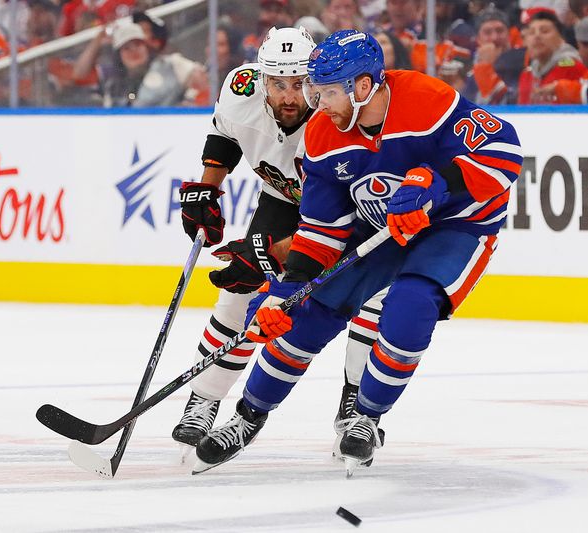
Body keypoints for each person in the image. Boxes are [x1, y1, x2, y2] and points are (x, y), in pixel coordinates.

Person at [194, 29, 522, 476]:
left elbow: (503, 150)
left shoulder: (425, 99)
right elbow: (322, 230)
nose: (318, 103)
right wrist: (285, 290)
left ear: (362, 86)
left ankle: (365, 416)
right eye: (316, 90)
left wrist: (437, 183)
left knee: (410, 305)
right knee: (304, 310)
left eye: (327, 92)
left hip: (456, 226)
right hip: (379, 229)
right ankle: (247, 416)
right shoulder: (324, 136)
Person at [172, 26, 387, 459]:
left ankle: (359, 409)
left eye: (299, 85)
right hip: (282, 199)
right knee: (238, 293)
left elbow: (339, 226)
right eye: (277, 84)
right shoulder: (240, 88)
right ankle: (205, 397)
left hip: (344, 212)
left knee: (371, 298)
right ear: (260, 78)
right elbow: (225, 135)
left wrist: (269, 251)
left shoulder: (335, 117)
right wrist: (207, 190)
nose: (289, 97)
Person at [517, 9, 588, 104]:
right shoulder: (526, 75)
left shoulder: (574, 67)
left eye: (545, 31)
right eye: (531, 32)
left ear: (561, 39)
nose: (537, 36)